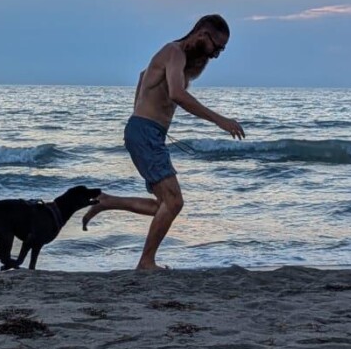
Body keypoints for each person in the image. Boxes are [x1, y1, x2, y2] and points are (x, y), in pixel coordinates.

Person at [83, 14, 244, 270]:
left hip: (148, 132)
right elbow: (176, 94)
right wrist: (219, 120)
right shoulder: (174, 52)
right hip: (145, 133)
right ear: (202, 34)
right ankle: (146, 262)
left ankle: (108, 201)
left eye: (222, 49)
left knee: (166, 205)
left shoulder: (184, 59)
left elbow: (142, 75)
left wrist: (141, 116)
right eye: (217, 46)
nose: (217, 54)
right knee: (174, 202)